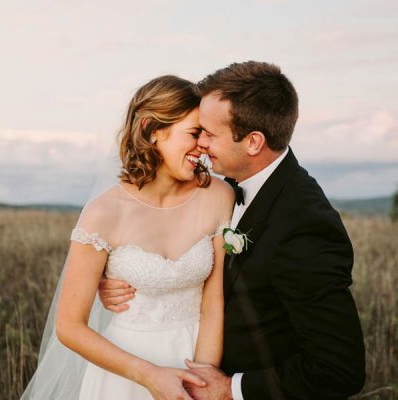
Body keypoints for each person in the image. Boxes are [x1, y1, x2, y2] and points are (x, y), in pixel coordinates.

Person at [99, 61, 366, 399]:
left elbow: (340, 369)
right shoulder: (223, 189)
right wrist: (126, 278)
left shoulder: (305, 225)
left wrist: (233, 389)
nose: (201, 144)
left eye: (208, 133)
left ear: (253, 142)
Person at [20, 75, 235, 400]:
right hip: (124, 375)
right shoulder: (103, 213)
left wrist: (202, 380)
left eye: (205, 134)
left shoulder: (218, 195)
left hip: (197, 359)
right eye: (194, 133)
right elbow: (69, 326)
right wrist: (148, 376)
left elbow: (213, 301)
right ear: (152, 130)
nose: (203, 145)